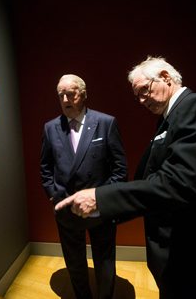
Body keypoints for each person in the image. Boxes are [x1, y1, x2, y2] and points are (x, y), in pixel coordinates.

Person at [55, 56, 196, 299]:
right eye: (138, 96)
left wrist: (100, 198)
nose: (142, 101)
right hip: (180, 258)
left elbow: (178, 183)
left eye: (145, 90)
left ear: (165, 77)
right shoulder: (169, 118)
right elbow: (152, 180)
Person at [41, 74, 127, 299]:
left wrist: (103, 199)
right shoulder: (51, 128)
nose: (66, 99)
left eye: (71, 93)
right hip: (66, 206)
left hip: (100, 207)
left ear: (84, 94)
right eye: (61, 95)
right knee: (74, 260)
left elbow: (120, 169)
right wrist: (55, 197)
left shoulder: (105, 123)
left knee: (104, 259)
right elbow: (45, 167)